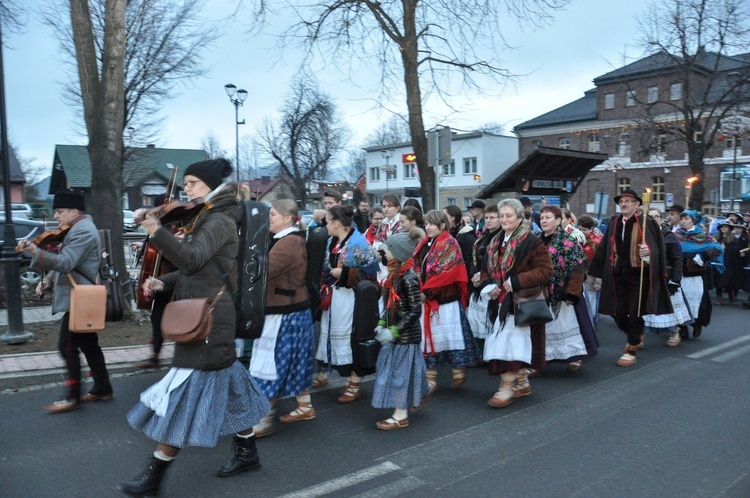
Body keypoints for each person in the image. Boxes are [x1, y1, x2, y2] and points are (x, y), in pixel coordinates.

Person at [118, 159, 270, 496]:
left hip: (209, 320)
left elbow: (191, 258)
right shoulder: (209, 217)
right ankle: (247, 453)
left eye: (192, 183)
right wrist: (164, 281)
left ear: (210, 185)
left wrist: (157, 231)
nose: (186, 189)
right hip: (206, 314)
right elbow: (201, 269)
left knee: (182, 395)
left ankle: (154, 475)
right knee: (229, 385)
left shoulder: (218, 220)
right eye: (185, 183)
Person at [18, 191, 113, 414]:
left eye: (60, 211)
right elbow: (70, 262)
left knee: (67, 346)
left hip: (79, 298)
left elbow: (67, 262)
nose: (56, 216)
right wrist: (49, 280)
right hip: (80, 295)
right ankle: (102, 386)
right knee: (88, 344)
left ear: (73, 211)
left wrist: (36, 252)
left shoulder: (83, 231)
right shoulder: (77, 228)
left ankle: (73, 396)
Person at [250, 200, 315, 437]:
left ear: (288, 218)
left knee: (272, 365)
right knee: (292, 361)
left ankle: (262, 419)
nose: (270, 218)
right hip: (288, 310)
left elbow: (263, 269)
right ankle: (305, 405)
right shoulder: (286, 239)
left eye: (273, 214)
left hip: (285, 313)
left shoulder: (289, 243)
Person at [588, 189, 673, 367]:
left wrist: (648, 252)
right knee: (617, 314)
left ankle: (631, 347)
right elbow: (605, 247)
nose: (624, 204)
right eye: (622, 201)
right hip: (617, 275)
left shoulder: (646, 222)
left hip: (638, 276)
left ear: (637, 204)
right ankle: (636, 334)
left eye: (628, 201)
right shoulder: (615, 222)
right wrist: (595, 273)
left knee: (634, 313)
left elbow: (658, 249)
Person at [481, 198, 553, 408]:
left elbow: (545, 270)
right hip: (501, 302)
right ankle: (521, 382)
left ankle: (505, 388)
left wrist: (517, 280)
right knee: (506, 344)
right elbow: (487, 269)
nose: (504, 219)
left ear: (520, 217)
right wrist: (489, 286)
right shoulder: (495, 242)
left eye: (508, 215)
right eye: (501, 215)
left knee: (510, 346)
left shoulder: (531, 241)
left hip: (521, 302)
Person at [315, 205, 380, 403]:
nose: (325, 225)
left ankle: (354, 382)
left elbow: (369, 275)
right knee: (336, 336)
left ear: (336, 223)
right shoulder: (331, 242)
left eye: (327, 222)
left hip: (351, 298)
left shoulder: (358, 243)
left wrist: (342, 273)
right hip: (334, 297)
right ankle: (343, 377)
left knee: (353, 338)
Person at [413, 210, 480, 394]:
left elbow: (448, 273)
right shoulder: (426, 243)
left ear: (442, 225)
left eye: (431, 224)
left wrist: (427, 290)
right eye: (426, 224)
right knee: (431, 337)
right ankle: (431, 377)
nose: (427, 227)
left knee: (450, 337)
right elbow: (420, 267)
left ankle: (458, 370)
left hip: (446, 298)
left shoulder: (450, 243)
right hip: (429, 298)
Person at [371, 227, 431, 430]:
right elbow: (390, 305)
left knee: (398, 375)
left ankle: (401, 415)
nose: (384, 253)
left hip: (405, 337)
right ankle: (423, 391)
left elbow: (415, 310)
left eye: (387, 249)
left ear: (397, 253)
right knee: (409, 370)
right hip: (396, 334)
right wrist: (382, 323)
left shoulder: (409, 278)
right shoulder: (394, 275)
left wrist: (395, 330)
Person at [538, 206, 597, 373]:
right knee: (546, 328)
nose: (544, 220)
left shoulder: (568, 242)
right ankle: (544, 358)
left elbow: (578, 268)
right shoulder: (537, 241)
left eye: (548, 217)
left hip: (564, 293)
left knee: (569, 325)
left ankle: (575, 356)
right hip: (543, 293)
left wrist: (571, 293)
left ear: (558, 221)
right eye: (542, 217)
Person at [642, 208, 691, 347]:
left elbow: (677, 259)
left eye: (656, 216)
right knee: (645, 308)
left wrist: (675, 280)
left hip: (666, 277)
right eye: (650, 217)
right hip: (648, 277)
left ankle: (675, 331)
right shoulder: (643, 235)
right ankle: (639, 335)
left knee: (668, 308)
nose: (654, 219)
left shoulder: (669, 236)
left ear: (661, 218)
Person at [675, 210, 724, 338]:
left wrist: (703, 255)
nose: (683, 221)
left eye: (686, 218)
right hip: (680, 272)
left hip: (696, 274)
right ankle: (682, 327)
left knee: (697, 300)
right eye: (682, 219)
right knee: (680, 300)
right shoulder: (677, 234)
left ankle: (697, 324)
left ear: (693, 220)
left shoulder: (703, 235)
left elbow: (717, 248)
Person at [468, 204, 502, 343]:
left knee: (491, 322)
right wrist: (474, 275)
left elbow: (498, 262)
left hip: (492, 283)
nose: (488, 221)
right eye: (487, 217)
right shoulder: (483, 237)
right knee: (478, 321)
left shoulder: (501, 238)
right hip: (479, 284)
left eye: (492, 218)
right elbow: (473, 259)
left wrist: (481, 276)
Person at [577, 215, 602, 328]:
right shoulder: (580, 239)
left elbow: (599, 263)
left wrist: (598, 282)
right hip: (583, 275)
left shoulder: (595, 242)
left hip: (592, 276)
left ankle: (593, 323)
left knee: (592, 302)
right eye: (580, 229)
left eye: (584, 230)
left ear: (591, 229)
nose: (582, 232)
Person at [713, 221, 741, 305]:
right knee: (718, 280)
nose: (724, 229)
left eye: (726, 227)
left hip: (729, 263)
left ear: (729, 229)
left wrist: (726, 248)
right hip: (718, 262)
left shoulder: (733, 239)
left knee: (728, 280)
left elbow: (736, 250)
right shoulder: (717, 238)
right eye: (722, 227)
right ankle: (719, 297)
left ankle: (730, 294)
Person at [444, 204, 476, 275]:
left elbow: (468, 259)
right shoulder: (453, 232)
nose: (442, 218)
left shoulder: (465, 235)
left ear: (453, 217)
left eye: (445, 215)